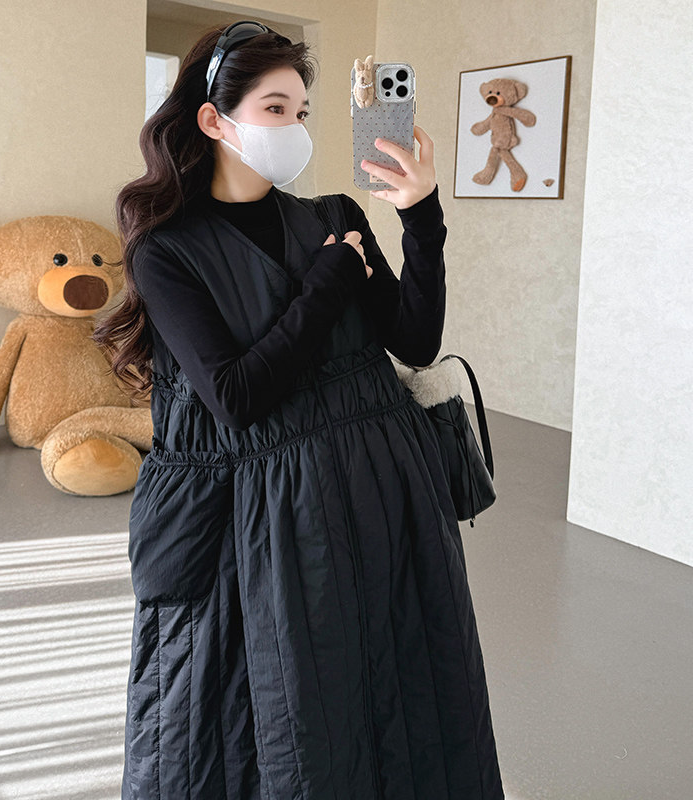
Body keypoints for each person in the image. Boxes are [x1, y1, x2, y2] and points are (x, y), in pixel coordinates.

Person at [94, 20, 505, 800]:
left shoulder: (335, 214)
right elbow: (237, 397)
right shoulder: (167, 251)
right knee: (280, 715)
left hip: (384, 496)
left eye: (303, 111)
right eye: (275, 108)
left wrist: (421, 217)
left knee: (401, 690)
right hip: (269, 520)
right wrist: (326, 285)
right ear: (214, 119)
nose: (293, 127)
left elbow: (415, 341)